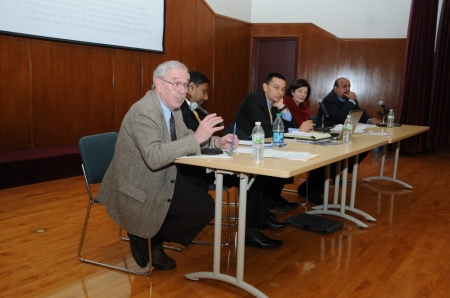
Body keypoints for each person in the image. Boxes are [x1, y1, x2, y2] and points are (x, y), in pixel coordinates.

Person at [96, 61, 238, 270]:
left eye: (186, 85)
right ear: (159, 84)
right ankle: (147, 235)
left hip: (164, 177)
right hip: (138, 187)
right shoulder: (143, 112)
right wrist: (198, 136)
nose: (182, 91)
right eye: (176, 84)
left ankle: (149, 237)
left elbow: (186, 137)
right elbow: (154, 157)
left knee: (205, 208)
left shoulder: (174, 109)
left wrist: (215, 141)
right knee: (200, 207)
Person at [181, 71, 286, 249]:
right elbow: (187, 142)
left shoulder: (192, 109)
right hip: (195, 170)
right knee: (250, 176)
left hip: (207, 161)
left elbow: (201, 140)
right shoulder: (181, 111)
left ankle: (255, 222)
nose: (206, 97)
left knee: (254, 174)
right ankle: (250, 230)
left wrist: (217, 142)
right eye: (204, 91)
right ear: (191, 88)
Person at [227, 73, 299, 218]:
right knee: (263, 172)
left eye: (283, 89)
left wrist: (284, 109)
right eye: (276, 87)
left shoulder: (274, 104)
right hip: (241, 149)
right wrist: (293, 129)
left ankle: (268, 203)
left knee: (283, 163)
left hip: (260, 147)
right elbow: (266, 130)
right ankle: (258, 215)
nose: (280, 92)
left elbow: (293, 126)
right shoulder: (253, 100)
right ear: (265, 87)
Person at [299, 77, 380, 203]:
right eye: (344, 86)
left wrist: (370, 120)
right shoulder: (328, 101)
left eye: (349, 86)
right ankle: (313, 188)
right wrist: (351, 102)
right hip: (326, 137)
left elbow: (359, 113)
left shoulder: (349, 100)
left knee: (363, 147)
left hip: (342, 136)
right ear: (335, 88)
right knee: (327, 162)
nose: (347, 89)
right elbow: (341, 117)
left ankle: (337, 171)